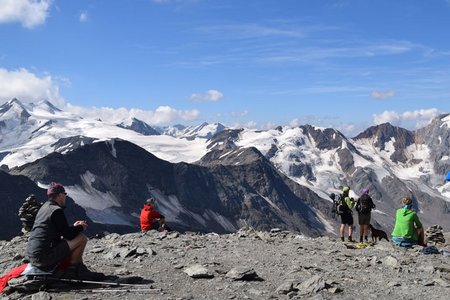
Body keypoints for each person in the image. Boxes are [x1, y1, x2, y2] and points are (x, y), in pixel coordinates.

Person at [26, 182, 105, 280]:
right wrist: (81, 227)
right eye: (65, 194)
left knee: (73, 237)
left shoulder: (45, 207)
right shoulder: (56, 210)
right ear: (59, 195)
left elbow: (61, 231)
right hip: (43, 257)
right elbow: (69, 235)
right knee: (81, 238)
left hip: (33, 255)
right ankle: (75, 270)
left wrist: (74, 227)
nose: (65, 197)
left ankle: (74, 269)